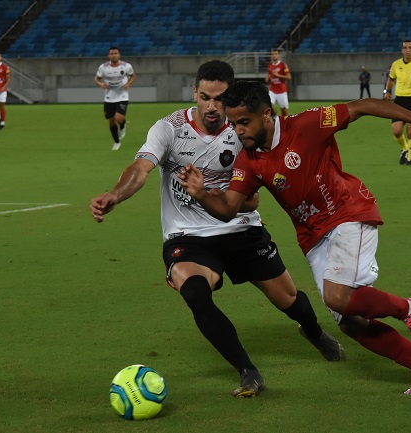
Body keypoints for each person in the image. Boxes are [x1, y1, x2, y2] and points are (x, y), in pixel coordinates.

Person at [180, 80, 411, 395]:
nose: (238, 131)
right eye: (233, 124)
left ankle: (410, 309)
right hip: (313, 238)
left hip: (348, 213)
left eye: (244, 122)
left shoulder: (308, 124)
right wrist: (202, 194)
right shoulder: (249, 160)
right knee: (350, 323)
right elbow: (229, 208)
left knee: (336, 297)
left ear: (267, 114)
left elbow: (362, 106)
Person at [90, 61, 344, 399]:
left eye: (219, 98)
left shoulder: (242, 133)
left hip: (240, 229)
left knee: (288, 299)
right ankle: (247, 370)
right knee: (194, 291)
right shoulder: (169, 129)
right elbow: (140, 168)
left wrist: (208, 195)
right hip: (188, 237)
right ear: (195, 93)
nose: (212, 106)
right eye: (205, 97)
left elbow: (252, 202)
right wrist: (115, 195)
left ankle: (313, 332)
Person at [95, 46, 135, 150]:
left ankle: (122, 125)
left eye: (116, 53)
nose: (114, 55)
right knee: (111, 120)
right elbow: (97, 78)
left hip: (122, 95)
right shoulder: (103, 67)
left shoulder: (126, 66)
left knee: (118, 118)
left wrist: (129, 83)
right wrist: (100, 84)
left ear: (119, 55)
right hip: (109, 96)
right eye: (112, 53)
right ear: (109, 55)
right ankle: (116, 142)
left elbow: (133, 75)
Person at [266, 49, 291, 117]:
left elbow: (289, 77)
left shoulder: (283, 65)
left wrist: (278, 75)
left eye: (276, 54)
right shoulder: (270, 65)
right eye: (272, 54)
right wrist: (267, 77)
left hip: (281, 90)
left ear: (279, 55)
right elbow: (268, 76)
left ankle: (284, 121)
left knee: (284, 108)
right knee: (268, 106)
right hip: (272, 90)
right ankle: (273, 119)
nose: (274, 55)